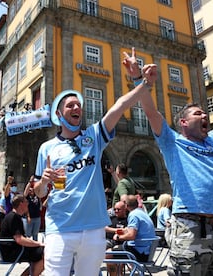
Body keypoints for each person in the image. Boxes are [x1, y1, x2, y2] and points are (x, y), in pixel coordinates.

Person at [122, 47, 213, 275]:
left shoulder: (211, 141)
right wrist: (138, 79)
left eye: (204, 114)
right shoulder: (171, 141)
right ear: (183, 123)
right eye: (197, 114)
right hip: (188, 228)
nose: (205, 116)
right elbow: (151, 111)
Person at [33, 60, 158, 275]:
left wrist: (143, 83)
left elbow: (119, 105)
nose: (77, 107)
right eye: (70, 105)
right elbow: (38, 192)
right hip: (60, 228)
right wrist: (44, 181)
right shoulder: (47, 148)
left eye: (78, 105)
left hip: (94, 229)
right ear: (59, 115)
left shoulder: (93, 136)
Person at [107, 195, 156, 276]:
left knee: (108, 254)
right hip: (146, 250)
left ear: (126, 205)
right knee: (117, 249)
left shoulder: (133, 215)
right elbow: (131, 229)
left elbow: (131, 236)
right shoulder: (141, 213)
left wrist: (119, 237)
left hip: (139, 253)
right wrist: (123, 230)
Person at [0, 194, 44, 276]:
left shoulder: (12, 216)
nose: (28, 204)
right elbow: (19, 239)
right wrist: (38, 243)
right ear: (21, 204)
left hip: (11, 250)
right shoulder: (14, 218)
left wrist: (34, 243)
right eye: (26, 202)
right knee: (45, 253)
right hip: (11, 252)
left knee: (38, 252)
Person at [23, 175, 42, 241]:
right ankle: (27, 248)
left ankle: (35, 248)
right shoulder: (27, 197)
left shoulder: (37, 195)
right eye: (30, 190)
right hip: (29, 217)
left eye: (32, 190)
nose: (31, 191)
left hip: (37, 217)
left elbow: (40, 189)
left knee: (35, 234)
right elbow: (25, 192)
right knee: (27, 234)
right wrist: (30, 182)